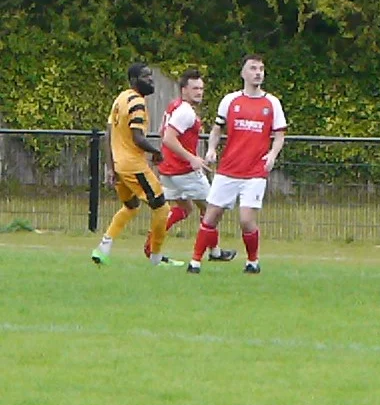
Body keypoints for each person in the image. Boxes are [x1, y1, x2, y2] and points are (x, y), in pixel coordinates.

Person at [187, 55, 287, 274]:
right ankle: (195, 262)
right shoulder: (230, 100)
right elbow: (216, 129)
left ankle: (252, 262)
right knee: (211, 215)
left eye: (261, 68)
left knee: (246, 219)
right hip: (229, 169)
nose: (258, 72)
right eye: (253, 68)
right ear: (243, 73)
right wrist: (212, 149)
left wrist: (272, 155)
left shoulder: (272, 103)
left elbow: (279, 135)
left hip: (255, 172)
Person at [143, 68, 236, 263]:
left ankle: (152, 245)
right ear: (184, 90)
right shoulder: (185, 112)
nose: (199, 92)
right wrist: (192, 158)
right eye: (195, 88)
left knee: (184, 208)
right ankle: (213, 252)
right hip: (184, 171)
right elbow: (169, 138)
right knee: (212, 209)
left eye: (201, 88)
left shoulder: (174, 106)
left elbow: (164, 133)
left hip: (169, 169)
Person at [92, 63, 178, 267]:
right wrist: (157, 152)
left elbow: (108, 134)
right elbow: (138, 138)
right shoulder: (137, 102)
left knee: (131, 206)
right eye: (145, 76)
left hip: (120, 165)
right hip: (133, 166)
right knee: (162, 208)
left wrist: (111, 167)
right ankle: (156, 258)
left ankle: (103, 248)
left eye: (150, 76)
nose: (150, 80)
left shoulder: (120, 99)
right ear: (133, 81)